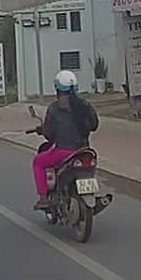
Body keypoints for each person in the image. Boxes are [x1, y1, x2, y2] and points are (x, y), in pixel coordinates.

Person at [32, 70, 99, 211]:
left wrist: (43, 130)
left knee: (38, 162)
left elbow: (49, 135)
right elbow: (94, 125)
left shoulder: (55, 108)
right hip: (84, 151)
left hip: (64, 152)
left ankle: (43, 199)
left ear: (57, 88)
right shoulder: (85, 105)